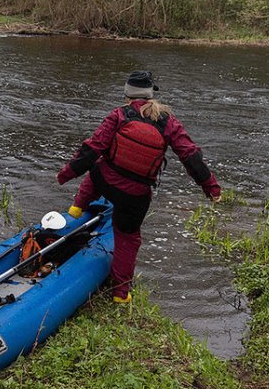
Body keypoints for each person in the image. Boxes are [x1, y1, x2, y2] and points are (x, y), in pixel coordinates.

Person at [56, 71, 222, 304]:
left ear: (127, 94)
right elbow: (190, 156)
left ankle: (77, 207)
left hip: (106, 181)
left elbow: (92, 148)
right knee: (128, 239)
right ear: (151, 94)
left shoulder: (119, 115)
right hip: (135, 196)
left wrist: (66, 174)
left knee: (99, 165)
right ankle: (121, 294)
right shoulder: (169, 122)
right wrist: (211, 188)